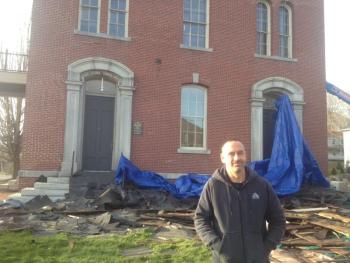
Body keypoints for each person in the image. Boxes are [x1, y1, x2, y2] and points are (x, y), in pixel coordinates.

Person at [194, 140, 285, 263]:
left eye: (240, 153)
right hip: (224, 259)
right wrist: (217, 245)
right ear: (222, 158)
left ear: (245, 155)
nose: (237, 158)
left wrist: (267, 246)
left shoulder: (262, 186)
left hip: (258, 259)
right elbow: (200, 219)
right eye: (231, 154)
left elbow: (278, 219)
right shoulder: (213, 186)